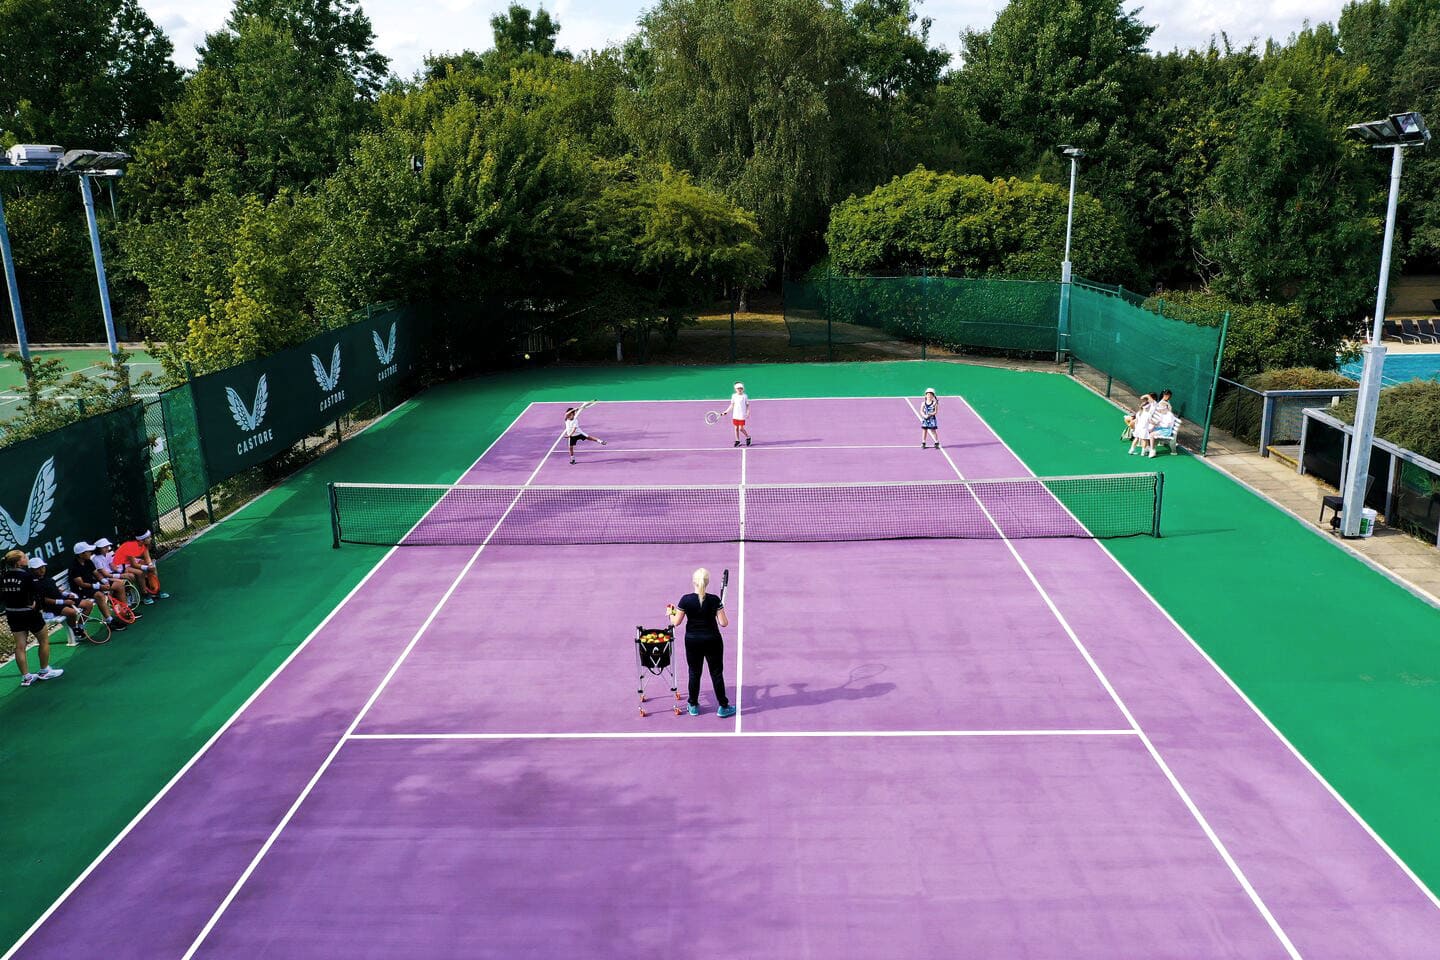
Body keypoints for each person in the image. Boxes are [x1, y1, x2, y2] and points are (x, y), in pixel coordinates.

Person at [667, 567, 735, 718]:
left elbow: (675, 622)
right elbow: (723, 623)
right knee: (716, 673)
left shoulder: (686, 599)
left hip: (693, 642)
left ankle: (693, 705)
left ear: (693, 582)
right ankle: (723, 707)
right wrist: (719, 611)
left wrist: (669, 614)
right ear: (708, 582)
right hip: (713, 641)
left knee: (694, 673)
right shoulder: (715, 600)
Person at [2, 550, 63, 686]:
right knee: (44, 641)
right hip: (30, 613)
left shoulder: (3, 576)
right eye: (24, 557)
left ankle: (26, 677)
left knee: (20, 646)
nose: (26, 557)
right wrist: (34, 604)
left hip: (13, 614)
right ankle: (44, 671)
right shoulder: (27, 576)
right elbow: (37, 593)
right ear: (18, 562)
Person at [29, 556, 93, 646]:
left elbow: (56, 589)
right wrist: (63, 602)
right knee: (71, 612)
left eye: (42, 567)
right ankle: (75, 629)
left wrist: (66, 594)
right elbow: (43, 599)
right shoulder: (33, 583)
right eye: (38, 569)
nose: (41, 570)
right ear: (32, 570)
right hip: (51, 606)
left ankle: (80, 626)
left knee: (88, 604)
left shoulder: (46, 578)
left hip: (62, 599)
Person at [69, 543, 125, 631]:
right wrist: (99, 586)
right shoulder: (74, 567)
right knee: (100, 595)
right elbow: (81, 584)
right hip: (81, 590)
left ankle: (124, 612)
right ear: (81, 554)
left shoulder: (88, 561)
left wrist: (105, 582)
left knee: (119, 584)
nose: (91, 552)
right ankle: (110, 621)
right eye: (88, 551)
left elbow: (96, 574)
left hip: (93, 585)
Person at [114, 530, 169, 604]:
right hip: (120, 565)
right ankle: (145, 594)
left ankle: (156, 590)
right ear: (142, 540)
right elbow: (133, 564)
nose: (150, 539)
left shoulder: (144, 546)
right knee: (140, 572)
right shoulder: (130, 547)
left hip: (130, 562)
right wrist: (146, 568)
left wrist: (150, 565)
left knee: (152, 568)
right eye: (148, 538)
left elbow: (147, 558)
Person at [723, 382, 752, 447]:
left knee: (741, 429)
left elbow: (747, 405)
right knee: (736, 428)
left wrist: (748, 412)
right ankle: (737, 440)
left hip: (742, 415)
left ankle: (748, 437)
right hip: (735, 415)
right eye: (738, 388)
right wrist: (726, 411)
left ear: (743, 389)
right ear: (735, 389)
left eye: (741, 388)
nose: (739, 389)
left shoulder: (745, 396)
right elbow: (732, 405)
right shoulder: (734, 396)